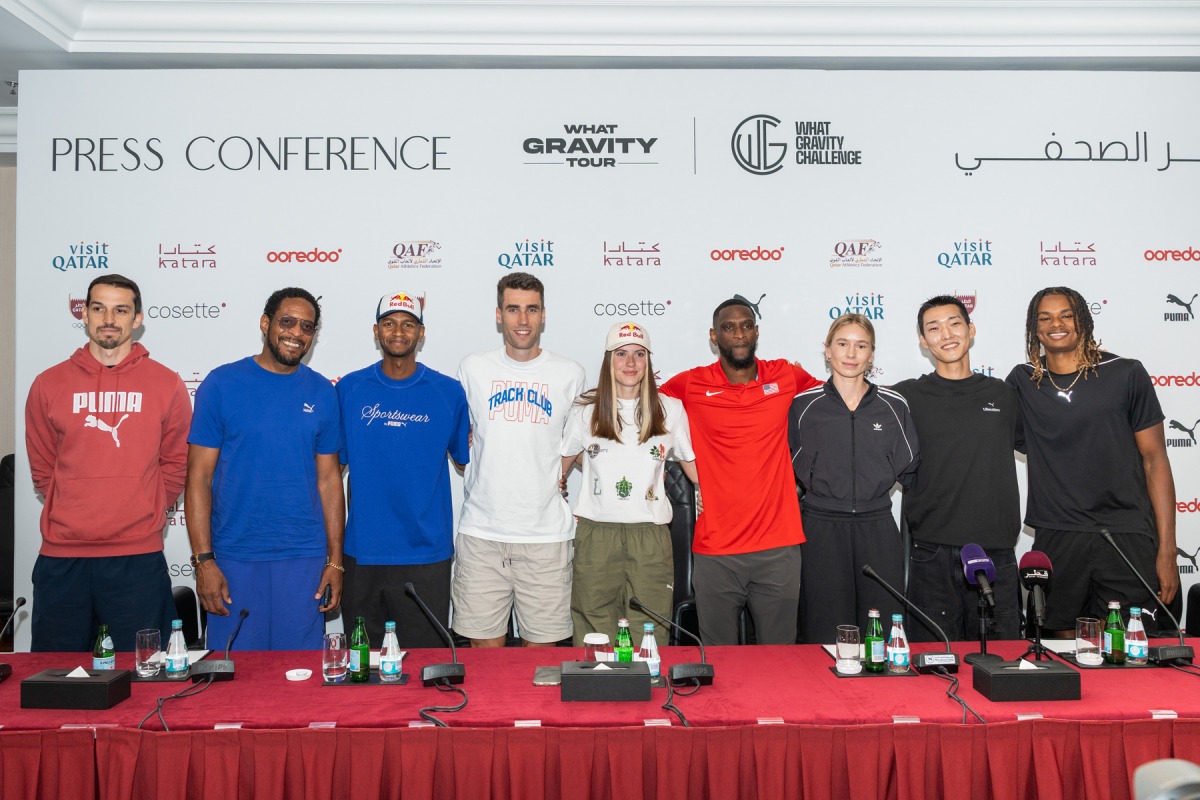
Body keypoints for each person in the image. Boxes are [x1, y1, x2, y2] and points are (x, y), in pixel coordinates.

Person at [24, 274, 192, 652]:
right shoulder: (48, 384)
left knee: (144, 674)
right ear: (84, 314)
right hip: (63, 557)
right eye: (98, 308)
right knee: (55, 679)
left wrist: (142, 506)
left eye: (121, 310)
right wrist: (75, 505)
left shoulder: (166, 384)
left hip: (136, 556)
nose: (109, 319)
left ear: (138, 318)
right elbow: (42, 468)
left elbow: (176, 463)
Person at [1006, 286, 1178, 636]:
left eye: (1066, 315)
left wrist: (1167, 551)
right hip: (1058, 535)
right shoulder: (1022, 383)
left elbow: (1155, 460)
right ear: (1034, 329)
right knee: (1055, 647)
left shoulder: (1125, 373)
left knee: (1128, 648)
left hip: (1126, 533)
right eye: (1045, 318)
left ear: (1082, 320)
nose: (1057, 324)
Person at [185, 287, 345, 650]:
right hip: (234, 556)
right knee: (235, 678)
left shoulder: (322, 392)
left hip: (303, 558)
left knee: (299, 676)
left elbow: (329, 481)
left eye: (307, 327)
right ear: (265, 323)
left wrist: (335, 562)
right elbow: (198, 479)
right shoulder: (221, 384)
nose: (296, 333)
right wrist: (204, 562)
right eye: (287, 322)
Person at [660, 296, 821, 645]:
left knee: (778, 660)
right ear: (714, 337)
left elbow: (835, 402)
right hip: (716, 549)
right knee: (720, 663)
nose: (739, 334)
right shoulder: (689, 383)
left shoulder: (786, 375)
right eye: (728, 328)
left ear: (757, 331)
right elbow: (637, 407)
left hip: (779, 547)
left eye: (746, 325)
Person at [454, 272, 587, 647]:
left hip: (545, 536)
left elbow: (578, 443)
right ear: (498, 315)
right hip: (482, 534)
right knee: (484, 663)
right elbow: (460, 439)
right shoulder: (472, 369)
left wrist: (560, 472)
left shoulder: (570, 373)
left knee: (541, 664)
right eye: (513, 309)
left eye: (531, 310)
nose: (523, 321)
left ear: (544, 314)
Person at [337, 292, 469, 647]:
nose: (398, 332)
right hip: (363, 551)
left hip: (426, 553)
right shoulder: (349, 389)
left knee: (425, 662)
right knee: (363, 663)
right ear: (376, 331)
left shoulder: (449, 392)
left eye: (408, 324)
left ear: (421, 333)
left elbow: (463, 458)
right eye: (390, 323)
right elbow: (332, 469)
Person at [894, 296, 1022, 642]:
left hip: (995, 551)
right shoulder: (904, 398)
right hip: (931, 554)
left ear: (971, 329)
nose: (945, 334)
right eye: (933, 328)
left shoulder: (1005, 395)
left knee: (1002, 665)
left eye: (954, 323)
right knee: (933, 670)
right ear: (922, 340)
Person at [560, 322, 698, 644]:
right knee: (594, 628)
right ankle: (597, 690)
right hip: (596, 534)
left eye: (639, 354)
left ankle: (649, 689)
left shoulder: (671, 410)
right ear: (609, 360)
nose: (631, 363)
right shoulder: (585, 410)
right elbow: (561, 466)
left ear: (648, 361)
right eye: (621, 354)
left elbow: (694, 469)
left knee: (649, 627)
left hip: (649, 536)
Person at [788, 313, 919, 645]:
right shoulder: (803, 406)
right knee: (824, 629)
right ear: (827, 351)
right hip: (821, 530)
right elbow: (791, 465)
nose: (851, 353)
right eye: (842, 344)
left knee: (884, 631)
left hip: (877, 529)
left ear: (871, 354)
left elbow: (910, 470)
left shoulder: (894, 405)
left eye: (861, 346)